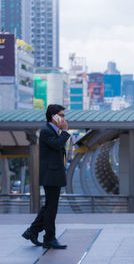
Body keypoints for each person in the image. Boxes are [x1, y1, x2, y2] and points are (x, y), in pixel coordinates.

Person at [22, 104, 69, 249]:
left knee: (49, 206)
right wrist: (65, 132)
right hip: (51, 175)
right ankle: (49, 238)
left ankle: (33, 231)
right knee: (51, 208)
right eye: (60, 115)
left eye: (63, 115)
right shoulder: (46, 131)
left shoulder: (55, 132)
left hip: (54, 174)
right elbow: (56, 145)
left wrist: (62, 132)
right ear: (52, 116)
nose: (63, 118)